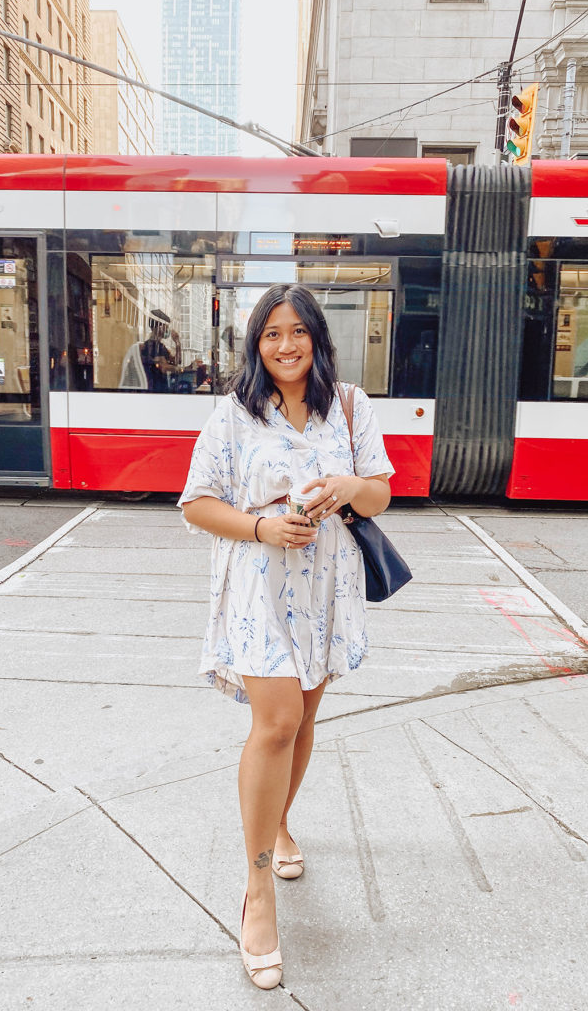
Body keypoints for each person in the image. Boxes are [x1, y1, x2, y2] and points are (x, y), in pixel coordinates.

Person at [177, 284, 395, 990]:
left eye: (297, 331)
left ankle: (276, 823)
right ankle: (257, 888)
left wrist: (344, 483)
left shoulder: (352, 405)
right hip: (260, 588)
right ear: (255, 343)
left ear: (316, 339)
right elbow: (196, 503)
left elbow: (381, 491)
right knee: (274, 725)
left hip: (326, 587)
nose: (285, 345)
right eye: (271, 333)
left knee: (303, 723)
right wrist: (264, 526)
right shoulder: (233, 414)